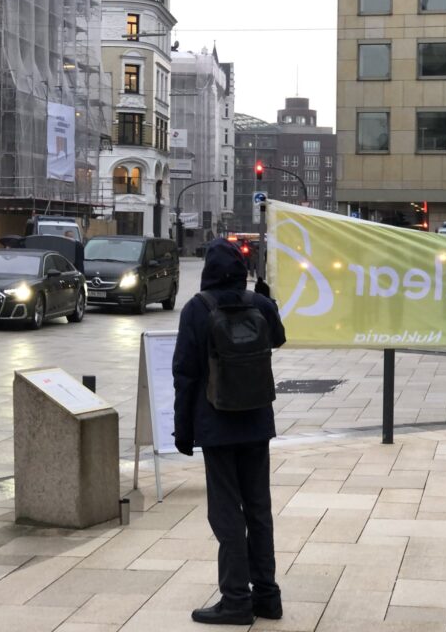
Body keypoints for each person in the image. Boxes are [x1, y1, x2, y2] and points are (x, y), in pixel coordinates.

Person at [173, 238, 286, 626]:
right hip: (257, 423)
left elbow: (184, 376)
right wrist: (266, 299)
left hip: (216, 425)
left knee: (226, 514)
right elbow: (279, 339)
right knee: (259, 509)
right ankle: (267, 597)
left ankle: (236, 600)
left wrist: (182, 432)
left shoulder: (196, 310)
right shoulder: (261, 305)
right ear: (243, 270)